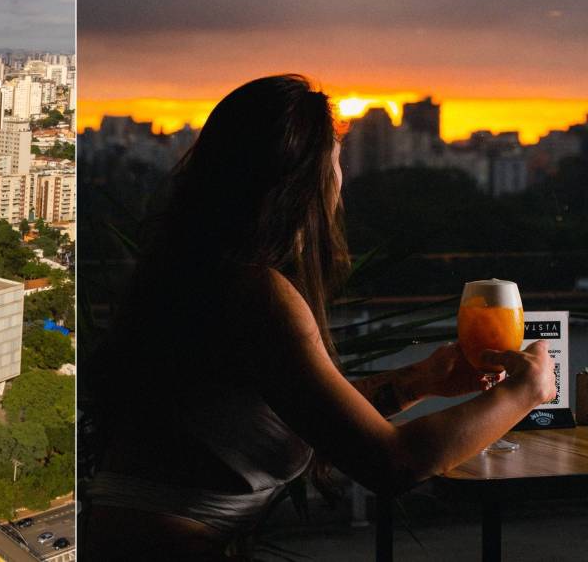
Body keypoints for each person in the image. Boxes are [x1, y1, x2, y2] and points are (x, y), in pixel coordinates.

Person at [83, 74, 556, 560]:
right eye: (336, 161)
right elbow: (392, 464)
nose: (341, 179)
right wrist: (528, 390)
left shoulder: (203, 273)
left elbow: (310, 414)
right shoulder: (257, 295)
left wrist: (418, 381)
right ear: (307, 180)